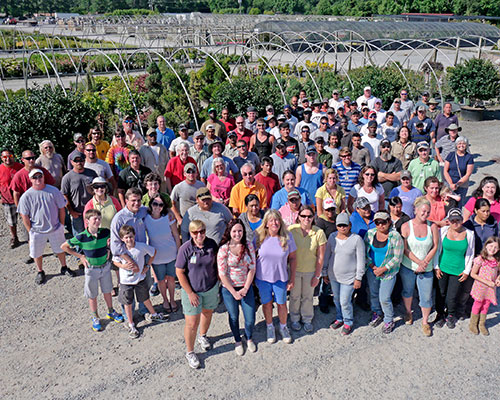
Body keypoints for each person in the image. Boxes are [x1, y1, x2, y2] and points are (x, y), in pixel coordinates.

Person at [61, 209, 124, 332]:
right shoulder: (81, 236)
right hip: (91, 270)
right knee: (92, 294)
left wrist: (108, 249)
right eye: (94, 218)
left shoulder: (105, 232)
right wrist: (81, 256)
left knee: (107, 290)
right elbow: (64, 247)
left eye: (99, 218)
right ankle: (95, 316)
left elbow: (115, 240)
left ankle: (110, 311)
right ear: (87, 221)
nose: (97, 221)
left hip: (105, 267)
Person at [17, 169, 75, 284]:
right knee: (37, 253)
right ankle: (40, 271)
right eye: (35, 177)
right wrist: (30, 231)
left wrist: (61, 224)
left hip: (55, 227)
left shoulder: (53, 191)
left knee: (60, 249)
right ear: (30, 179)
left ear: (43, 177)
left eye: (40, 176)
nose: (38, 179)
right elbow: (24, 215)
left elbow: (61, 208)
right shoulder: (26, 196)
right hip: (37, 230)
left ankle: (64, 267)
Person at [176, 220, 219, 369]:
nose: (199, 235)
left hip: (210, 288)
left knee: (207, 312)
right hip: (192, 291)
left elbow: (217, 264)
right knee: (192, 323)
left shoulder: (212, 244)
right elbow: (179, 272)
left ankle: (203, 336)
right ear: (191, 233)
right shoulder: (185, 249)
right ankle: (190, 351)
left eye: (202, 231)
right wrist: (190, 293)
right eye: (195, 232)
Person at [112, 225, 167, 339]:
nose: (129, 240)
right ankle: (131, 323)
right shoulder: (121, 250)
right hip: (126, 281)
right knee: (128, 302)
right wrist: (123, 265)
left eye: (131, 237)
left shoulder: (141, 247)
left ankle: (154, 314)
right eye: (126, 237)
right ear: (122, 239)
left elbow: (153, 252)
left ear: (134, 236)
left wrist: (147, 265)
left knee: (145, 298)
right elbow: (115, 261)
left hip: (140, 279)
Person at [255, 209, 297, 344]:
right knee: (267, 304)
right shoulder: (259, 237)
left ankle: (283, 327)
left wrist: (292, 279)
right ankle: (270, 326)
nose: (275, 222)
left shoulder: (287, 237)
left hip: (281, 278)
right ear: (266, 223)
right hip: (263, 279)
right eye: (271, 220)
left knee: (282, 303)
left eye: (277, 219)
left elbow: (293, 259)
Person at [400, 197, 440, 336]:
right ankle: (408, 312)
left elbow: (435, 246)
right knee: (407, 291)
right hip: (409, 266)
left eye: (428, 212)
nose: (425, 214)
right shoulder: (406, 226)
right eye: (423, 211)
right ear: (415, 210)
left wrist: (425, 262)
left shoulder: (433, 226)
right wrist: (418, 262)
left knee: (426, 296)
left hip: (426, 268)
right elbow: (405, 249)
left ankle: (425, 321)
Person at [217, 219, 257, 355]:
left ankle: (249, 337)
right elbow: (222, 274)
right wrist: (234, 292)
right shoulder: (224, 249)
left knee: (250, 317)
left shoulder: (248, 246)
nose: (237, 234)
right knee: (234, 316)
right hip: (229, 289)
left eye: (240, 231)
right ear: (229, 232)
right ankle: (237, 340)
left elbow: (252, 268)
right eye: (234, 231)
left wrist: (246, 288)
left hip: (246, 286)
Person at [323, 212, 365, 335]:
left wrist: (359, 278)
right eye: (340, 225)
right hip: (333, 276)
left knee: (345, 301)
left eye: (345, 225)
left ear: (350, 225)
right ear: (336, 226)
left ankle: (348, 321)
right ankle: (339, 317)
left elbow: (361, 260)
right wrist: (324, 272)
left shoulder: (357, 239)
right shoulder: (332, 237)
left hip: (350, 277)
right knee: (336, 299)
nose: (342, 228)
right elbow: (327, 256)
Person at [434, 208, 475, 329]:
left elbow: (470, 253)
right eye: (452, 220)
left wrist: (467, 271)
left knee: (451, 296)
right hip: (443, 268)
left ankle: (450, 315)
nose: (455, 223)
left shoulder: (469, 234)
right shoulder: (443, 231)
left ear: (462, 220)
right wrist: (436, 266)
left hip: (458, 269)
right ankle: (440, 314)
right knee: (440, 293)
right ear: (448, 221)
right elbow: (437, 250)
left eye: (458, 220)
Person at [288, 206, 326, 333]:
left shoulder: (319, 233)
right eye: (303, 216)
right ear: (298, 217)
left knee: (308, 296)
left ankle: (307, 319)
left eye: (309, 216)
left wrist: (317, 275)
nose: (306, 219)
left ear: (313, 217)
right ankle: (294, 318)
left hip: (310, 270)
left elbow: (321, 256)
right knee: (294, 296)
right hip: (294, 270)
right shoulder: (291, 230)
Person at [365, 210, 404, 334]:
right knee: (374, 294)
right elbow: (365, 252)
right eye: (377, 222)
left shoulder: (395, 236)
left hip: (388, 272)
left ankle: (388, 318)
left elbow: (397, 258)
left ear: (389, 222)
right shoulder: (370, 234)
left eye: (383, 222)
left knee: (385, 298)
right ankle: (377, 312)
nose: (380, 225)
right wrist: (372, 266)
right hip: (373, 270)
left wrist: (383, 269)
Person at [145, 193, 181, 313]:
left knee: (171, 279)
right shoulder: (146, 218)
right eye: (155, 204)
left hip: (171, 254)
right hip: (156, 256)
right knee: (160, 280)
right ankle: (165, 300)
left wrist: (179, 252)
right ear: (151, 204)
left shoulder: (168, 217)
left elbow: (176, 235)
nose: (157, 207)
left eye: (161, 205)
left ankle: (172, 299)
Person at [469, 237, 500, 336]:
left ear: (499, 249)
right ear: (486, 245)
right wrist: (487, 282)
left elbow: (498, 272)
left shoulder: (497, 260)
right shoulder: (480, 259)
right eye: (491, 246)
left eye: (496, 247)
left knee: (486, 305)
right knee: (478, 304)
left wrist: (498, 279)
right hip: (480, 287)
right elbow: (473, 274)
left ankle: (482, 324)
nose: (493, 249)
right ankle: (473, 323)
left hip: (490, 288)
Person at [61, 152, 98, 236]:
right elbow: (64, 196)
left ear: (84, 161)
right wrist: (71, 211)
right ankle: (79, 250)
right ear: (71, 162)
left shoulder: (92, 174)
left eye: (81, 160)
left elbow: (99, 189)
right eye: (76, 161)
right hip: (77, 212)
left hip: (92, 211)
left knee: (94, 234)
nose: (79, 163)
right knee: (79, 236)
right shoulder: (67, 178)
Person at [0, 149, 23, 248]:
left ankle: (34, 236)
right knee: (11, 220)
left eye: (10, 156)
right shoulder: (0, 169)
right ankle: (14, 237)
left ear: (14, 156)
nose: (7, 158)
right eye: (5, 157)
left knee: (29, 218)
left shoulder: (20, 167)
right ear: (1, 158)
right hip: (8, 199)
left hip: (22, 198)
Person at [443, 136, 474, 207]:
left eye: (463, 144)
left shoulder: (469, 157)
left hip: (462, 184)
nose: (461, 145)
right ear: (456, 145)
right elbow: (445, 170)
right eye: (459, 143)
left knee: (459, 205)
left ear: (466, 145)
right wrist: (451, 184)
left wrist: (457, 185)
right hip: (449, 183)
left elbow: (468, 174)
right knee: (447, 204)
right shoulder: (451, 155)